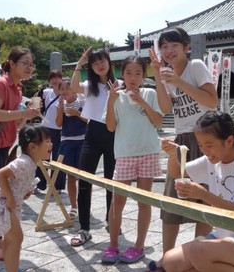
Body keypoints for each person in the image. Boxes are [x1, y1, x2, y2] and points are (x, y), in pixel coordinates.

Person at [161, 110, 234, 272]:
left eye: (209, 145)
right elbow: (177, 173)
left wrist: (203, 194)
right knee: (170, 261)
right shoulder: (211, 161)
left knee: (198, 252)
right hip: (222, 237)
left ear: (229, 141)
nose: (204, 150)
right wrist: (172, 155)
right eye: (200, 145)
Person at [147, 26, 218, 271]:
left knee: (205, 201)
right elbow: (166, 108)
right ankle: (169, 259)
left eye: (173, 45)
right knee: (172, 201)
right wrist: (158, 75)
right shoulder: (166, 74)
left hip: (207, 139)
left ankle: (197, 257)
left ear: (186, 47)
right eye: (164, 46)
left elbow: (211, 100)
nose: (168, 51)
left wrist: (177, 81)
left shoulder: (196, 66)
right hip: (181, 139)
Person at [0, 47, 40, 261]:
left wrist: (27, 115)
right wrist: (22, 112)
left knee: (0, 195)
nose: (29, 67)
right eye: (25, 63)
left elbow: (15, 123)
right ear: (12, 64)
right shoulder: (0, 84)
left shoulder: (17, 88)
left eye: (31, 64)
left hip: (4, 148)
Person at [101, 56, 163, 264]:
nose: (133, 77)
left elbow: (158, 121)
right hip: (125, 153)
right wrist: (110, 101)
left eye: (138, 73)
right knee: (117, 201)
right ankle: (113, 245)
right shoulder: (116, 97)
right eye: (129, 73)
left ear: (144, 76)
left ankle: (139, 246)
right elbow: (110, 126)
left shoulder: (150, 93)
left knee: (143, 201)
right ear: (122, 75)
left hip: (148, 151)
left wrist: (142, 102)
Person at [70, 47, 123, 247]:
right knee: (84, 180)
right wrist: (80, 62)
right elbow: (73, 86)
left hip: (114, 134)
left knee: (112, 182)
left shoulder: (119, 85)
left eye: (102, 61)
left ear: (109, 62)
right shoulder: (89, 85)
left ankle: (112, 222)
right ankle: (84, 228)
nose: (99, 65)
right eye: (94, 63)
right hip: (92, 134)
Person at [0, 125, 52, 272]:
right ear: (33, 147)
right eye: (47, 141)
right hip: (2, 205)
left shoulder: (30, 163)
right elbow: (0, 174)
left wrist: (21, 194)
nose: (51, 144)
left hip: (7, 205)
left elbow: (14, 182)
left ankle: (11, 268)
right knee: (16, 238)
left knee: (11, 239)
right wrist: (10, 197)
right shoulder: (24, 163)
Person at [55, 78, 88, 219]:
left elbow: (90, 120)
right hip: (67, 141)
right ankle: (73, 206)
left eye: (67, 88)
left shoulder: (83, 102)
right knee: (71, 176)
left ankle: (84, 205)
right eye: (61, 89)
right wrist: (61, 108)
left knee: (84, 176)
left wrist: (77, 114)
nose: (64, 91)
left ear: (74, 89)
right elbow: (58, 124)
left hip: (82, 140)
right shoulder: (60, 104)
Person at [35, 70, 63, 192]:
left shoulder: (65, 92)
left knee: (58, 158)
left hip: (60, 129)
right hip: (46, 128)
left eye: (57, 77)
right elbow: (36, 102)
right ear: (49, 80)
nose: (55, 80)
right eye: (52, 78)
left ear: (61, 79)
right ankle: (40, 184)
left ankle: (57, 186)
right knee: (42, 156)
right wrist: (39, 93)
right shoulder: (46, 92)